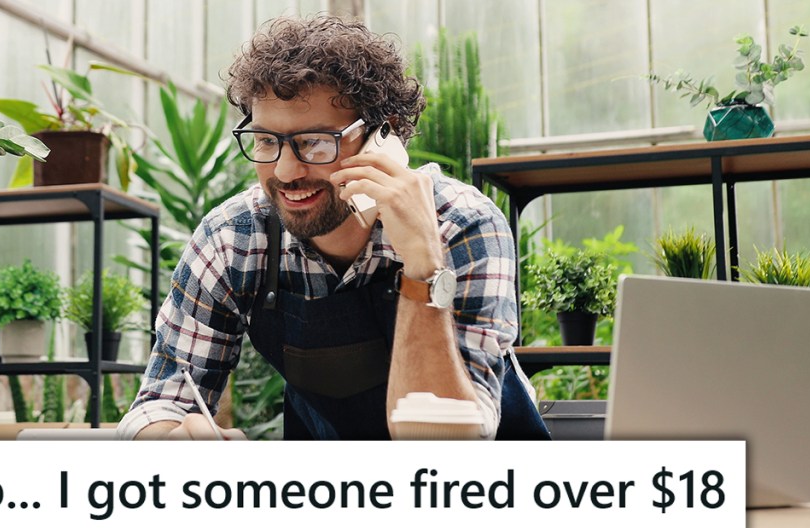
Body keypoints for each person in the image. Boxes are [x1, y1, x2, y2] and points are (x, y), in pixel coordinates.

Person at [117, 15, 547, 440]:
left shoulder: (461, 223)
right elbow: (159, 403)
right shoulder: (234, 238)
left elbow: (449, 443)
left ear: (385, 135)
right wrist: (173, 441)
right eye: (267, 141)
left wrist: (423, 268)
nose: (285, 171)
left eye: (315, 142)